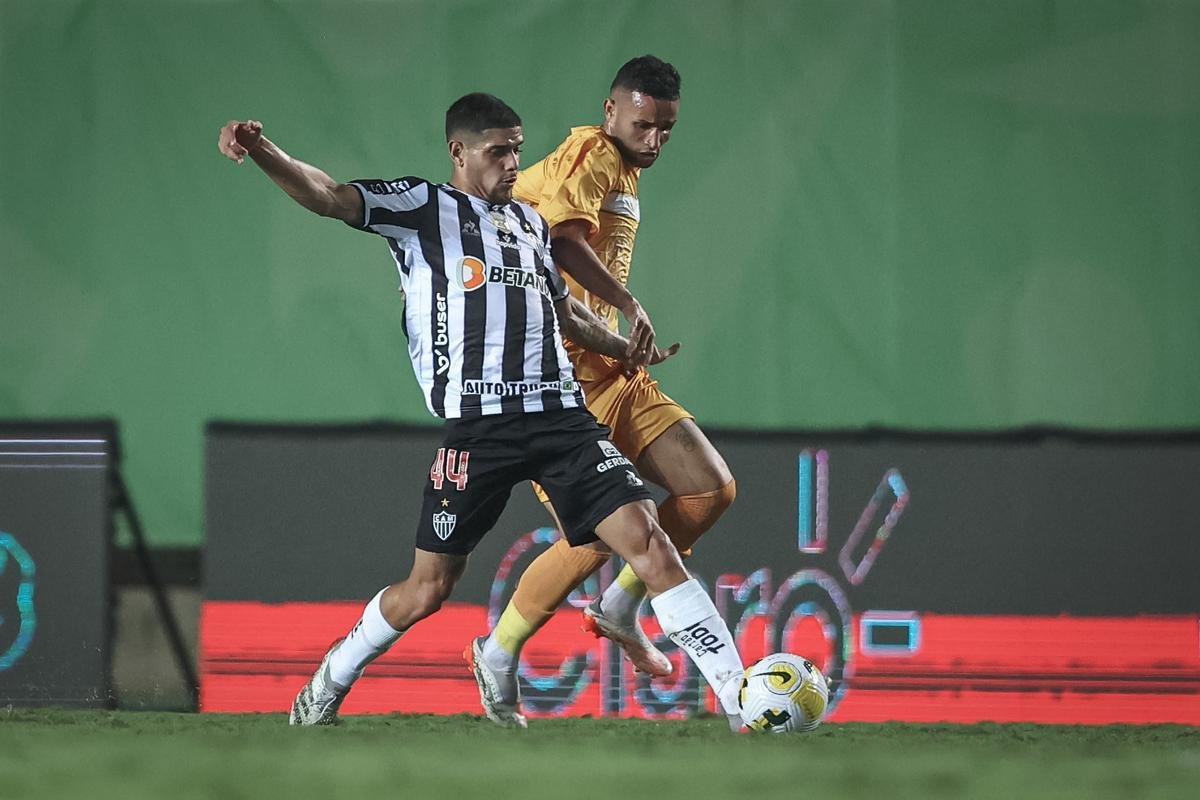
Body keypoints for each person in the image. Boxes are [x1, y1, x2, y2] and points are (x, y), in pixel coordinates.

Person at [216, 92, 746, 730]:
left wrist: (625, 347)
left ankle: (740, 699)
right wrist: (262, 149)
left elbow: (566, 313)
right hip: (479, 429)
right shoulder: (423, 208)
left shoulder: (528, 223)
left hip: (561, 419)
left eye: (517, 150)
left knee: (651, 544)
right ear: (459, 152)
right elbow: (328, 194)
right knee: (428, 590)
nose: (512, 163)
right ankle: (334, 675)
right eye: (498, 152)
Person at [469, 57, 736, 714]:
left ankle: (618, 606)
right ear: (611, 110)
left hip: (614, 366)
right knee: (593, 538)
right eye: (643, 125)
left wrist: (620, 328)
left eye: (666, 129)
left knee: (709, 489)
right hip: (557, 381)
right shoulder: (592, 153)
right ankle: (497, 651)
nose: (655, 140)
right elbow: (560, 239)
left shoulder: (620, 168)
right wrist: (628, 302)